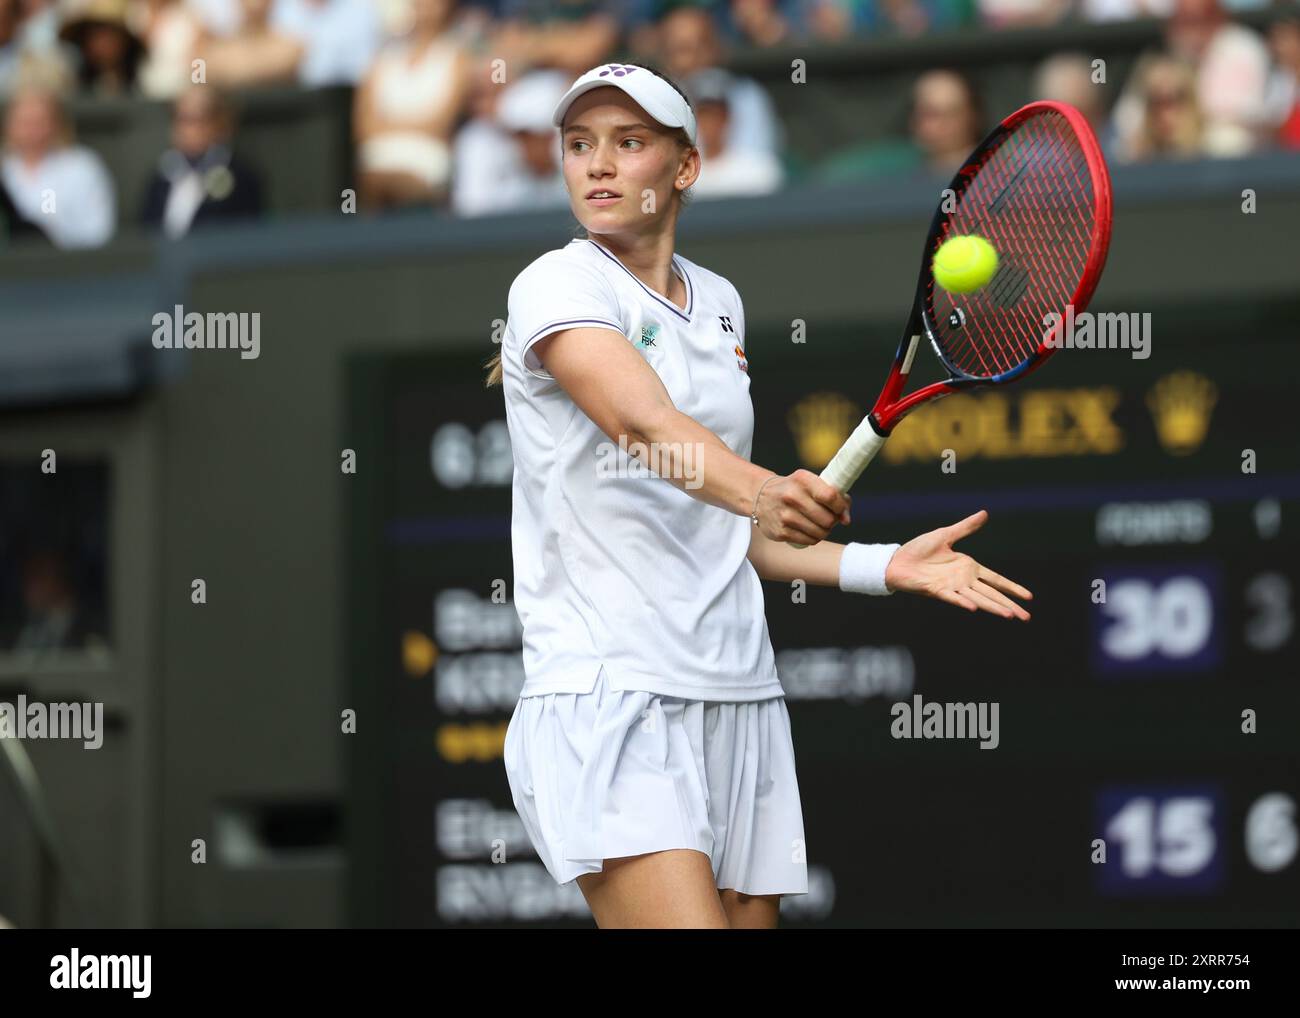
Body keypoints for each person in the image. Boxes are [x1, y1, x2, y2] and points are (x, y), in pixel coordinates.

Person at [485, 61, 1032, 929]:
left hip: (741, 692)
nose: (598, 164)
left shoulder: (720, 303)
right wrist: (764, 488)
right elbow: (644, 426)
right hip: (613, 692)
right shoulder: (556, 283)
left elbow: (731, 530)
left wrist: (884, 564)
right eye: (579, 145)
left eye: (629, 143)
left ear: (685, 167)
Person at [139, 86, 264, 237]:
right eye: (181, 119)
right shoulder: (160, 177)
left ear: (220, 124)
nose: (187, 130)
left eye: (196, 120)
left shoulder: (242, 179)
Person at [1, 86, 115, 247]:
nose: (32, 131)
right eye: (24, 122)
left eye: (40, 122)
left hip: (70, 259)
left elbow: (98, 232)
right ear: (9, 125)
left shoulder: (82, 167)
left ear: (56, 123)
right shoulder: (4, 168)